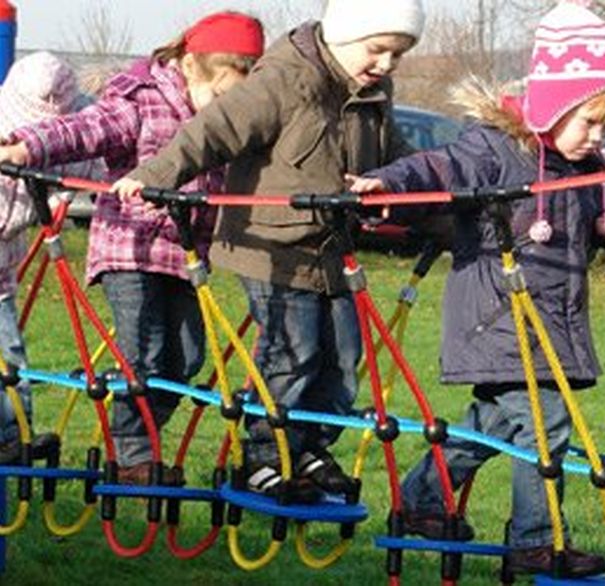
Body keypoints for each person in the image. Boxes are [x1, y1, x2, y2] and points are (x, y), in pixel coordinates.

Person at [348, 1, 605, 578]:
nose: (597, 136)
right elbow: (437, 170)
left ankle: (421, 501)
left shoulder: (580, 169)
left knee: (491, 430)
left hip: (546, 331)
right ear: (552, 105)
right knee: (546, 427)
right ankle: (536, 539)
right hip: (500, 325)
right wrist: (387, 184)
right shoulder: (496, 150)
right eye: (588, 120)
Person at [111, 0, 425, 500]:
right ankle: (261, 457)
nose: (386, 65)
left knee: (344, 358)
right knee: (292, 352)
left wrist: (434, 193)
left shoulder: (373, 94)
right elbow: (213, 131)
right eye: (378, 50)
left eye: (398, 56)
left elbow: (398, 156)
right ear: (346, 36)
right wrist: (153, 175)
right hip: (270, 244)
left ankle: (308, 449)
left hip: (332, 247)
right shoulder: (286, 78)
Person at [0, 12, 265, 485]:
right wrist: (23, 147)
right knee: (141, 351)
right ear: (190, 67)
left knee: (186, 358)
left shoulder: (228, 123)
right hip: (130, 246)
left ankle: (138, 435)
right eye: (220, 95)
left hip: (184, 255)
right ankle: (131, 455)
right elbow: (82, 129)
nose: (222, 111)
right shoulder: (140, 100)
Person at [0, 52, 101, 464]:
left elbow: (98, 161)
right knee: (7, 351)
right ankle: (10, 433)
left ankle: (12, 434)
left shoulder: (72, 135)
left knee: (10, 353)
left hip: (3, 265)